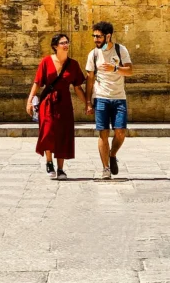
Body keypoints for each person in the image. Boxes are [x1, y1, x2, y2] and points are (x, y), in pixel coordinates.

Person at [26, 33, 87, 180]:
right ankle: (49, 162)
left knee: (63, 134)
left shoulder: (73, 64)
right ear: (55, 46)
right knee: (47, 132)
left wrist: (87, 103)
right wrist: (29, 100)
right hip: (47, 102)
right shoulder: (46, 62)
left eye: (67, 42)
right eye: (62, 43)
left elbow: (78, 87)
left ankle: (60, 169)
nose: (66, 45)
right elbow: (37, 83)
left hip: (64, 102)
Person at [85, 20, 133, 180]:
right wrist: (87, 102)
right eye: (94, 36)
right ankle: (105, 168)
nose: (95, 39)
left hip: (119, 97)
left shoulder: (120, 50)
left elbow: (130, 71)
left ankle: (112, 154)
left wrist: (115, 69)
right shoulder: (93, 54)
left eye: (98, 36)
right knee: (103, 133)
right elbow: (89, 79)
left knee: (120, 132)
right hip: (101, 98)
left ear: (108, 36)